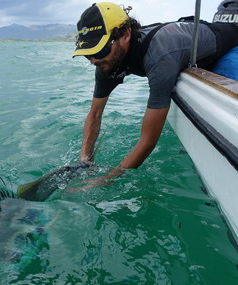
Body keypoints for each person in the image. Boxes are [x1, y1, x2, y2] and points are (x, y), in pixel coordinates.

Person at [72, 2, 238, 182]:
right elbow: (95, 114)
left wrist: (105, 181)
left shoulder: (159, 56)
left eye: (101, 49)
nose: (94, 60)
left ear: (126, 34)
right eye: (89, 54)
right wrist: (84, 161)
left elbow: (148, 141)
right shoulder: (104, 62)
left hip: (230, 44)